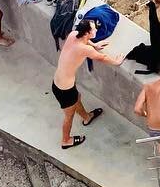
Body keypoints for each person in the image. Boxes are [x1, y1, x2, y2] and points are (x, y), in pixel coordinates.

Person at [52, 16, 124, 149]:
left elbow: (85, 43)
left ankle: (87, 117)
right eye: (93, 29)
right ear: (87, 33)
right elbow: (102, 57)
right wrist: (117, 62)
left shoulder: (74, 34)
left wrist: (95, 45)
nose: (96, 29)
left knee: (77, 98)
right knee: (69, 116)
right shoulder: (85, 49)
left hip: (59, 83)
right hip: (64, 89)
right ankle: (66, 140)